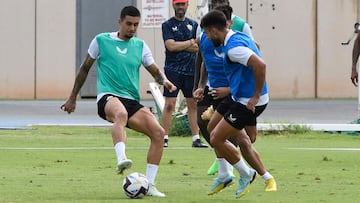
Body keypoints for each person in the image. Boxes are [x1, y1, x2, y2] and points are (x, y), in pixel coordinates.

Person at [60, 6, 176, 197]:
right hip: (107, 96)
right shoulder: (101, 40)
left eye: (136, 25)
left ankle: (150, 185)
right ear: (119, 22)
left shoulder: (140, 46)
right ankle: (122, 158)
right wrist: (72, 97)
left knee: (158, 133)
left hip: (131, 100)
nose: (132, 28)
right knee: (120, 114)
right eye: (129, 24)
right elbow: (84, 68)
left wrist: (165, 82)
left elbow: (154, 71)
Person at [194, 5, 276, 197]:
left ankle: (247, 174)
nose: (206, 36)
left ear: (214, 30)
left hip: (247, 101)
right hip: (238, 96)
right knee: (213, 128)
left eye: (207, 32)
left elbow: (260, 65)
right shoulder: (237, 37)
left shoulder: (233, 48)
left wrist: (255, 96)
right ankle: (225, 175)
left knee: (218, 138)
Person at [193, 0, 259, 176]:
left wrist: (231, 90)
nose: (216, 4)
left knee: (246, 138)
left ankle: (247, 168)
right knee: (205, 124)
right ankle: (225, 167)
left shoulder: (239, 31)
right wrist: (200, 85)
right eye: (214, 2)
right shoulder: (206, 30)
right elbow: (204, 58)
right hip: (213, 87)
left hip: (235, 89)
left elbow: (253, 57)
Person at [161, 0, 208, 148]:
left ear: (187, 5)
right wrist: (189, 42)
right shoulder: (167, 25)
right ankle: (164, 137)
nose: (180, 7)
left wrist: (182, 44)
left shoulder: (194, 25)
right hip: (172, 70)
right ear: (173, 5)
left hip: (191, 70)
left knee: (192, 103)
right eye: (177, 4)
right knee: (170, 104)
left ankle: (196, 138)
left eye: (183, 4)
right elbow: (170, 46)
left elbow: (198, 48)